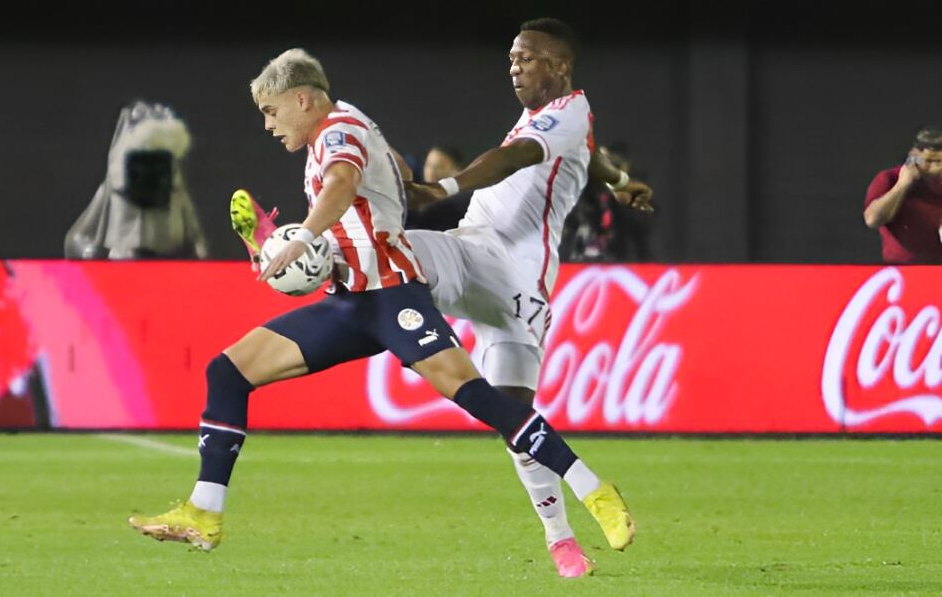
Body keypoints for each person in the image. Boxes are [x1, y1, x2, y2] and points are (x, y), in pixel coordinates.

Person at [129, 50, 632, 575]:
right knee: (227, 371)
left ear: (303, 99)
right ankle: (205, 512)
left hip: (394, 297)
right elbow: (396, 174)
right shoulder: (350, 125)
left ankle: (593, 490)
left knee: (481, 398)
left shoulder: (337, 130)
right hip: (349, 303)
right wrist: (298, 252)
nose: (267, 124)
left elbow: (343, 183)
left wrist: (303, 235)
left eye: (272, 112)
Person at [400, 18, 652, 576]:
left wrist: (438, 188)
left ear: (559, 66)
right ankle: (563, 540)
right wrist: (620, 181)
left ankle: (562, 536)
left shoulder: (561, 117)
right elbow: (593, 153)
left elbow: (508, 159)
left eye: (527, 58)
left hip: (517, 280)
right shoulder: (564, 114)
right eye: (512, 57)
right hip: (471, 251)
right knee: (395, 251)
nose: (514, 66)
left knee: (516, 418)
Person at [64, 101, 209, 260]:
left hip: (166, 265)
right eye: (142, 163)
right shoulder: (111, 195)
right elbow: (77, 238)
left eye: (159, 163)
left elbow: (194, 238)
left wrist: (193, 251)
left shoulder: (176, 197)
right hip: (123, 265)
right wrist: (88, 252)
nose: (150, 171)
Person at [863, 126, 942, 264]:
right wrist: (903, 184)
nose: (933, 168)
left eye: (939, 162)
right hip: (902, 270)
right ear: (914, 156)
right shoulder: (889, 179)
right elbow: (872, 219)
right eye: (928, 161)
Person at [406, 145, 473, 232]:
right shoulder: (415, 201)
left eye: (439, 167)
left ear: (457, 170)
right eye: (428, 165)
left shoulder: (465, 202)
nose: (431, 172)